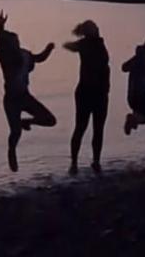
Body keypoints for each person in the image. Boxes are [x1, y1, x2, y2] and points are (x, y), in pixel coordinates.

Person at [0, 9, 57, 172]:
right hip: (11, 100)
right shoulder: (6, 58)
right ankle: (12, 151)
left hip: (24, 96)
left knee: (50, 120)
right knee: (15, 132)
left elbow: (39, 58)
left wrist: (49, 49)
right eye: (12, 42)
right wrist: (0, 27)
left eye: (16, 41)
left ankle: (27, 122)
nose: (15, 43)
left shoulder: (25, 54)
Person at [63, 20, 110, 175]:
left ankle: (93, 161)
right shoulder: (88, 44)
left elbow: (69, 46)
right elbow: (69, 46)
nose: (97, 28)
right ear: (90, 31)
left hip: (98, 92)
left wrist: (73, 44)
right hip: (88, 92)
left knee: (94, 128)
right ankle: (77, 162)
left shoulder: (94, 43)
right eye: (94, 27)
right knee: (84, 127)